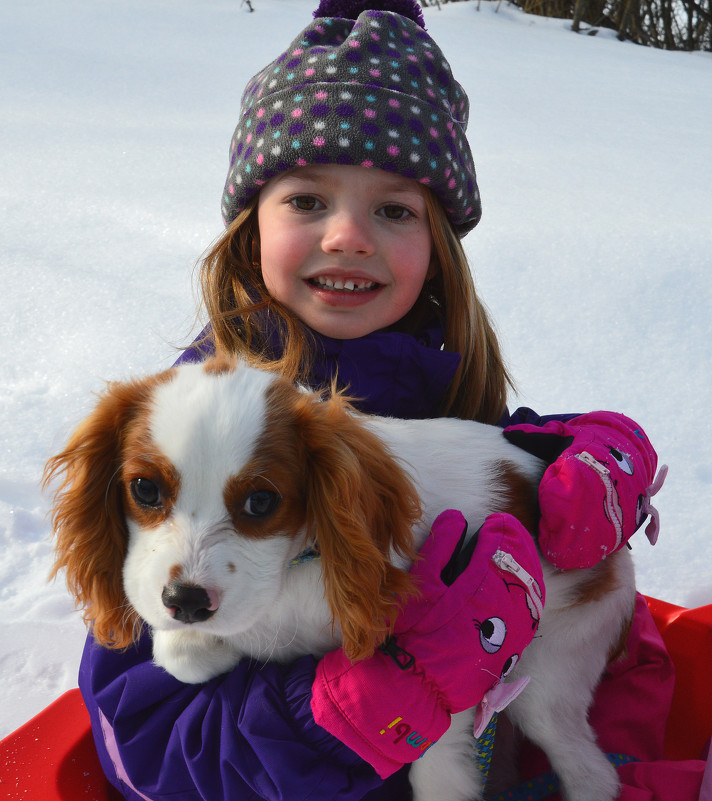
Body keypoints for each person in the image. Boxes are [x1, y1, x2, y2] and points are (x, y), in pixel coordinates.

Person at [78, 1, 700, 799]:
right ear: (248, 228)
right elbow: (149, 750)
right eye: (306, 199)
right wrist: (357, 709)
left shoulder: (446, 392)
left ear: (437, 252)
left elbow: (509, 454)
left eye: (395, 209)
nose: (348, 235)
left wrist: (603, 450)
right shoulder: (171, 443)